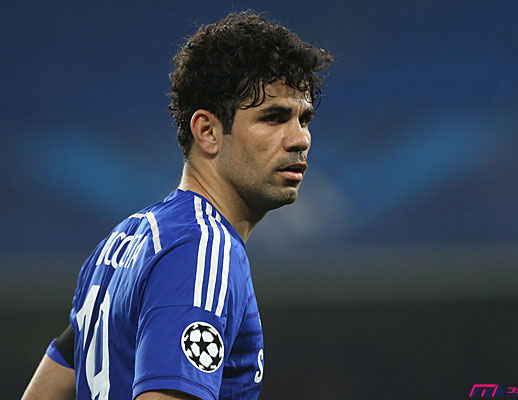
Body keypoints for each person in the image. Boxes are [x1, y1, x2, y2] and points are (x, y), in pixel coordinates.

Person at [22, 11, 332, 400]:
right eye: (274, 118)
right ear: (207, 131)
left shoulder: (124, 241)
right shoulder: (202, 251)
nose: (299, 139)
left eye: (304, 119)